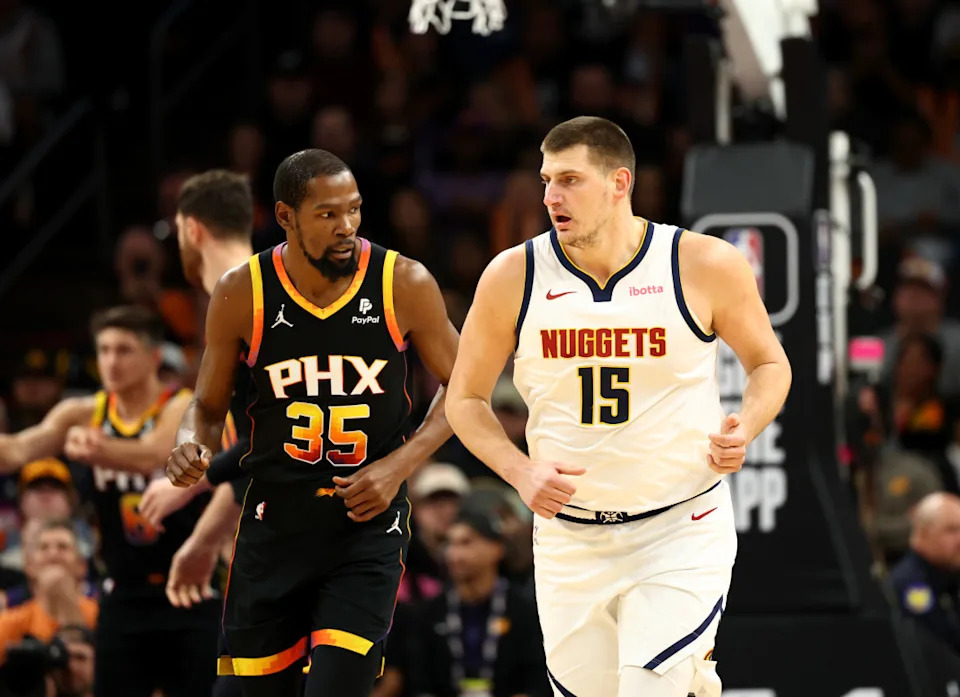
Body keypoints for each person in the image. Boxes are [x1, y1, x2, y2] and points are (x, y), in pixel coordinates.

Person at [445, 116, 792, 697]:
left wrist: (747, 425)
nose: (552, 195)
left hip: (678, 527)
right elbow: (465, 398)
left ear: (619, 183)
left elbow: (770, 364)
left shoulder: (701, 264)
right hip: (568, 538)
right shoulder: (513, 275)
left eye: (571, 179)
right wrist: (519, 470)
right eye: (547, 178)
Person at [166, 149, 460, 697]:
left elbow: (466, 388)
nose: (346, 226)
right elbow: (206, 408)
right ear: (284, 216)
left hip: (364, 527)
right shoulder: (241, 291)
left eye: (353, 210)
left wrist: (399, 465)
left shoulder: (404, 282)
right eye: (327, 214)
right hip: (273, 525)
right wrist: (190, 444)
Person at [0, 306, 218, 697]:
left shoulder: (180, 405)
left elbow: (155, 454)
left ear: (153, 357)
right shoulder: (83, 412)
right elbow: (16, 450)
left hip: (188, 590)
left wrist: (99, 450)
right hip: (123, 593)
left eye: (123, 350)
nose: (110, 361)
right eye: (103, 350)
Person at [138, 169, 258, 609]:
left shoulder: (244, 299)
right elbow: (259, 454)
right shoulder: (268, 290)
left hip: (297, 532)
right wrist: (206, 541)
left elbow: (270, 438)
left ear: (192, 229)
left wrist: (189, 484)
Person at [407, 510, 550, 697]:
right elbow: (418, 685)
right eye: (450, 544)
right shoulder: (427, 613)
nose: (454, 554)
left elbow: (537, 682)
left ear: (497, 548)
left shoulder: (525, 611)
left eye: (466, 543)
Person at [889, 492, 960, 655]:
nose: (959, 539)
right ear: (923, 533)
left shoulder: (950, 573)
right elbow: (938, 646)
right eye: (951, 530)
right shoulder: (910, 585)